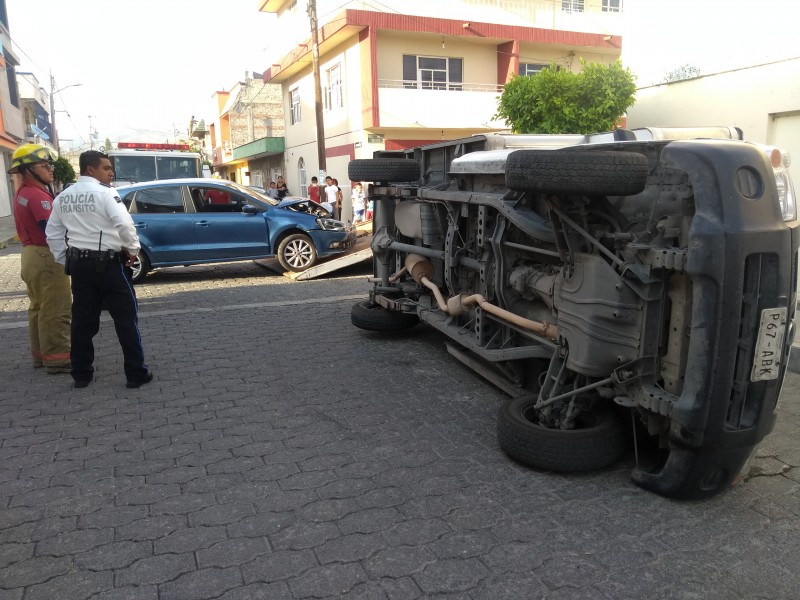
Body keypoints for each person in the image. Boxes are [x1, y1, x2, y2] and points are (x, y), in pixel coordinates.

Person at [46, 150, 153, 389]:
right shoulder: (106, 193)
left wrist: (65, 258)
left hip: (79, 266)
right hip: (109, 266)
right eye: (106, 168)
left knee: (82, 321)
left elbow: (52, 233)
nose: (111, 172)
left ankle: (81, 374)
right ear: (90, 170)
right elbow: (124, 224)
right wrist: (133, 250)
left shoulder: (63, 196)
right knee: (126, 318)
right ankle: (135, 372)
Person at [10, 143, 72, 374]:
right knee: (56, 308)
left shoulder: (23, 193)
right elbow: (53, 230)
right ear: (27, 169)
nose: (50, 169)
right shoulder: (37, 197)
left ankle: (41, 355)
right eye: (44, 165)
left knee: (38, 307)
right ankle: (58, 359)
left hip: (30, 255)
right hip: (46, 255)